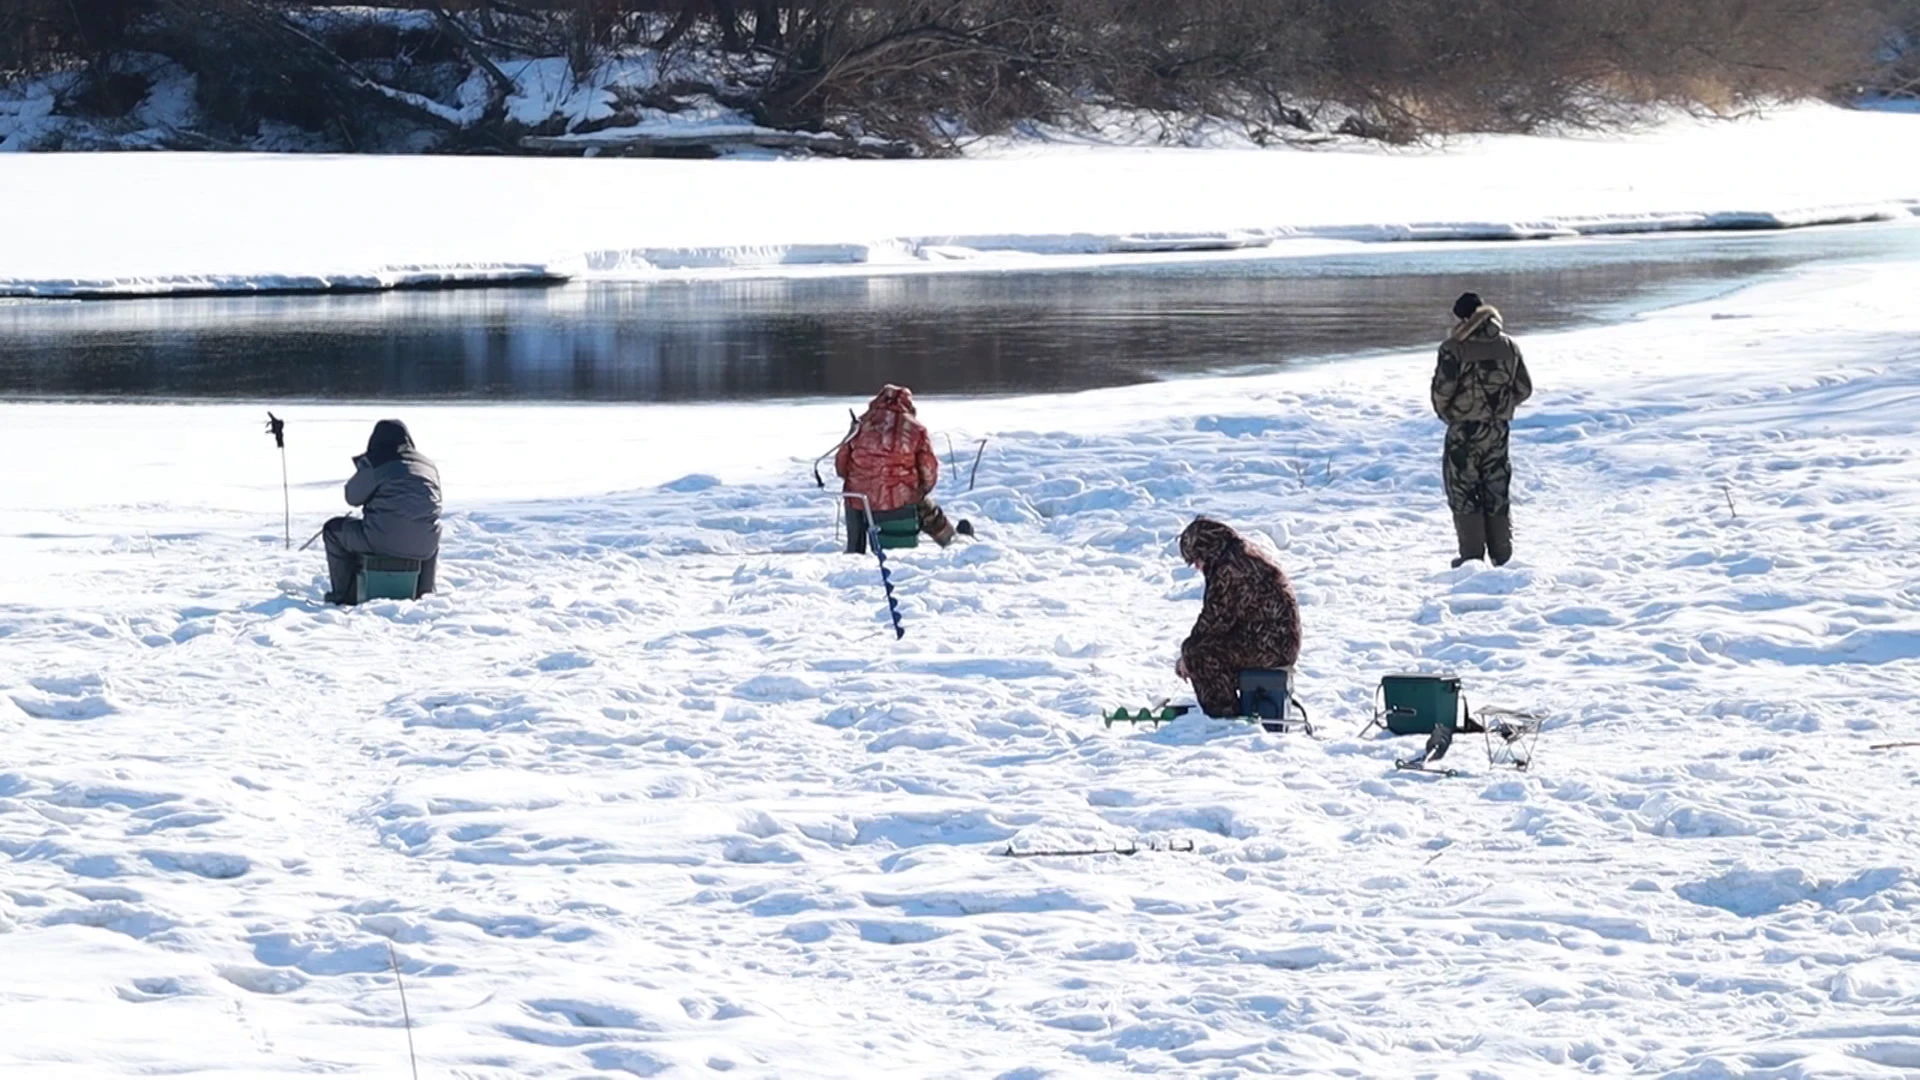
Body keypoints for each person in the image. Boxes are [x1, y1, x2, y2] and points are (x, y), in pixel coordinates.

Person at [1432, 291, 1533, 568]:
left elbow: (1442, 392)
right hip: (1498, 431)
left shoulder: (1454, 348)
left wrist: (1453, 413)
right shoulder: (1509, 345)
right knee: (1496, 489)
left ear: (1464, 318)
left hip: (1463, 433)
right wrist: (1500, 408)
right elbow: (1524, 388)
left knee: (1463, 491)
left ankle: (1471, 558)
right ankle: (1503, 556)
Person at [1174, 517, 1302, 718]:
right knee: (1202, 649)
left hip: (1269, 646)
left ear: (1205, 550)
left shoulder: (1229, 567)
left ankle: (1223, 719)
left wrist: (1186, 658)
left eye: (1196, 560)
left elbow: (1215, 619)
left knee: (1197, 653)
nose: (1197, 567)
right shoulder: (1241, 553)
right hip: (1274, 642)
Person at [834, 384, 971, 553]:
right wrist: (923, 489)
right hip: (898, 497)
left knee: (854, 499)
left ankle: (855, 550)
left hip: (860, 499)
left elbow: (841, 465)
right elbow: (928, 469)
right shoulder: (915, 428)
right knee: (926, 507)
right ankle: (951, 541)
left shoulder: (860, 424)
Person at [322, 419, 442, 603]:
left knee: (333, 530)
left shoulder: (377, 463)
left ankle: (343, 595)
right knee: (425, 531)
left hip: (380, 540)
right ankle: (424, 593)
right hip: (424, 544)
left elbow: (352, 497)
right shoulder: (427, 465)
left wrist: (363, 469)